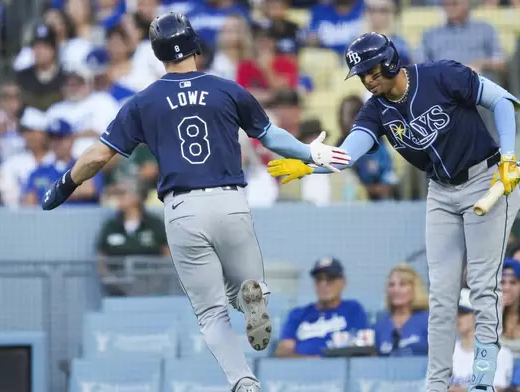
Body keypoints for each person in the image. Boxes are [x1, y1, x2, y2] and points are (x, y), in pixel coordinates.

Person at [38, 12, 350, 392]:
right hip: (231, 200)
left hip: (183, 209)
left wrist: (65, 184)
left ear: (157, 53)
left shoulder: (144, 101)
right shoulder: (227, 89)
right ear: (195, 45)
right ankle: (252, 292)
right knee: (250, 288)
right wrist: (309, 153)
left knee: (210, 312)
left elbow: (99, 156)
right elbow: (271, 136)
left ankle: (243, 382)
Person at [267, 32, 520, 392]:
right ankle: (435, 385)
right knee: (442, 296)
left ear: (389, 61)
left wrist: (509, 157)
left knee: (482, 289)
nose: (368, 80)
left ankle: (483, 382)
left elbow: (501, 100)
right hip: (441, 191)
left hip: (487, 179)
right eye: (362, 75)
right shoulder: (375, 109)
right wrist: (310, 164)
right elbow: (350, 153)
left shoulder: (440, 75)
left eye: (372, 71)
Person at [274, 257, 369, 357]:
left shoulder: (353, 310)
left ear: (343, 282)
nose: (323, 284)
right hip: (301, 370)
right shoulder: (298, 314)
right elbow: (283, 353)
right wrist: (313, 362)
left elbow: (361, 349)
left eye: (330, 279)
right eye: (319, 279)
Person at [451, 288, 514, 392]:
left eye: (463, 313)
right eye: (455, 313)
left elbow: (496, 390)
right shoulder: (445, 353)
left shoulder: (500, 354)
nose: (457, 317)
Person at [373, 264, 429, 356]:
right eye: (391, 285)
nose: (396, 290)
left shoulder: (428, 321)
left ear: (414, 289)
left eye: (402, 284)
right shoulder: (379, 327)